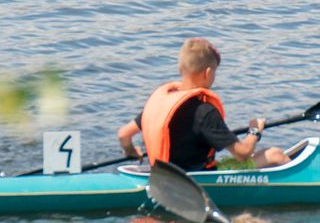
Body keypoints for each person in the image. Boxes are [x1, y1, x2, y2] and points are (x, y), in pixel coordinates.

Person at [117, 38, 290, 171]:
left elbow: (124, 134)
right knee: (274, 154)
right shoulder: (204, 112)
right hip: (198, 178)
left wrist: (131, 151)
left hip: (163, 177)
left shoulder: (162, 101)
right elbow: (242, 153)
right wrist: (255, 131)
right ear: (207, 73)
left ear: (181, 70)